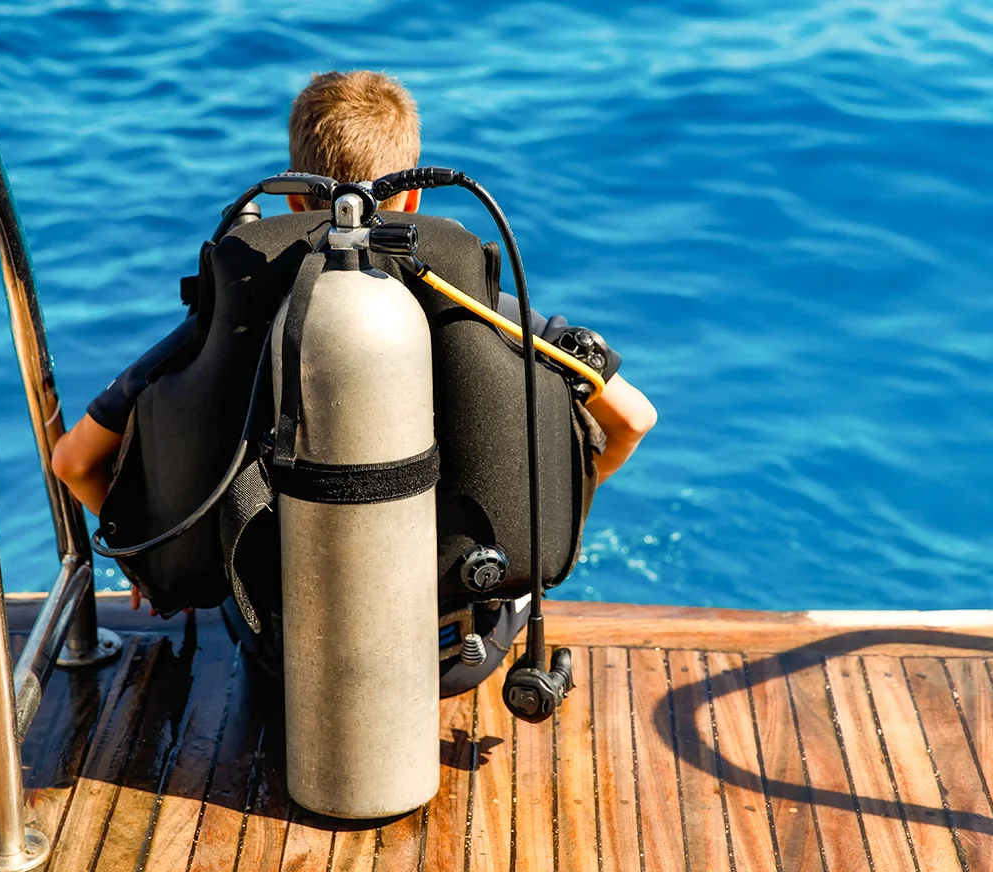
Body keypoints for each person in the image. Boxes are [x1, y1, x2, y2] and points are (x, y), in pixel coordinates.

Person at [52, 71, 657, 620]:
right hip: (456, 639)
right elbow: (633, 420)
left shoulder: (235, 312)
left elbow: (73, 462)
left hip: (281, 643)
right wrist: (542, 517)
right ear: (413, 199)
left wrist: (156, 563)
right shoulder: (472, 301)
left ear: (293, 200)